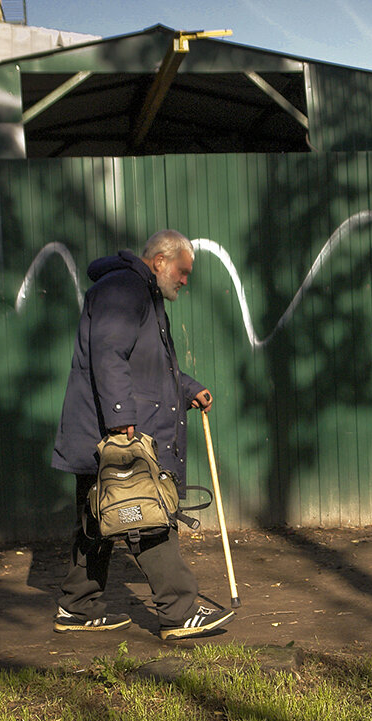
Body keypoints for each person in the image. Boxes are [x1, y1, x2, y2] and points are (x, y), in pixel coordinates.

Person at [50, 230, 235, 641]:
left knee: (98, 518)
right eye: (183, 271)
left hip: (98, 432)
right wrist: (120, 418)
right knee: (144, 515)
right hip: (112, 433)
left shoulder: (140, 293)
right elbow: (109, 353)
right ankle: (179, 611)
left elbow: (148, 367)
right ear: (159, 261)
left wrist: (188, 389)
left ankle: (77, 605)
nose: (186, 280)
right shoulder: (124, 290)